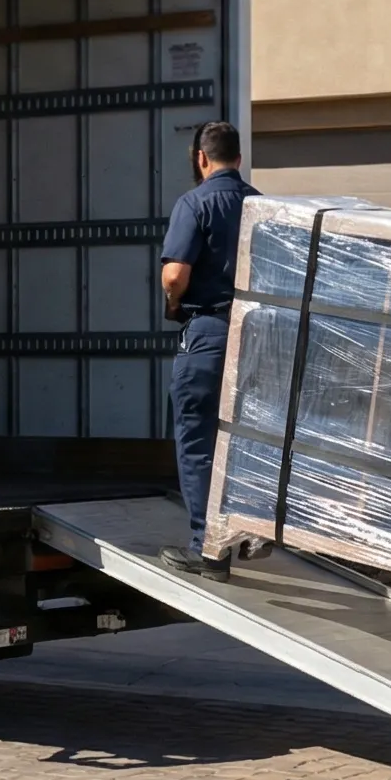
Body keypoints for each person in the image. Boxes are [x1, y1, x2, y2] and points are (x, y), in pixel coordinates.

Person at [155, 120, 258, 580]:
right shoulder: (260, 206)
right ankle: (251, 532)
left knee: (198, 439)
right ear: (239, 159)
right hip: (257, 335)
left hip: (211, 332)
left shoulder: (194, 203)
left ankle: (209, 550)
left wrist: (172, 300)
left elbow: (175, 274)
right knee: (246, 440)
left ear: (201, 158)